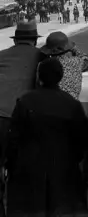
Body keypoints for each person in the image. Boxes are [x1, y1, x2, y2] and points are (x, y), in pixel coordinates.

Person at [6, 57, 88, 217]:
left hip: (30, 169)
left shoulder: (25, 101)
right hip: (63, 170)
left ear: (39, 76)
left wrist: (11, 164)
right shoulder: (72, 104)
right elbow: (82, 140)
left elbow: (14, 138)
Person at [0, 21, 42, 217]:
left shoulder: (2, 55)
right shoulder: (41, 56)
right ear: (34, 40)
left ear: (15, 40)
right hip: (20, 119)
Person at [40, 31, 88, 100]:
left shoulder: (45, 66)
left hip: (50, 104)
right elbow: (87, 61)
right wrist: (74, 49)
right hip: (72, 104)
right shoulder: (77, 62)